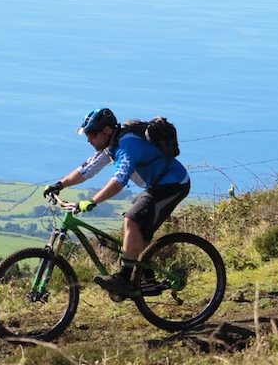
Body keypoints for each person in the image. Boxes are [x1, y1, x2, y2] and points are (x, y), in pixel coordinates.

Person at [43, 107, 190, 297]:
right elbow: (86, 170)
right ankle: (150, 283)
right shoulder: (111, 146)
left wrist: (92, 201)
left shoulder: (127, 146)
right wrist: (59, 185)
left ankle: (123, 278)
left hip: (174, 183)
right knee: (136, 233)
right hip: (157, 185)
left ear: (106, 131)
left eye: (92, 134)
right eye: (87, 135)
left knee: (132, 220)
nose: (89, 139)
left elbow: (119, 181)